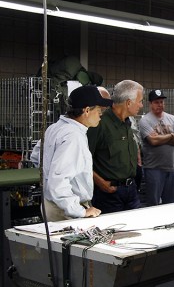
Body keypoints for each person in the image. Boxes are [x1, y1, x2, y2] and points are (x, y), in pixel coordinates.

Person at [33, 85, 111, 221]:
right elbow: (58, 181)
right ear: (87, 110)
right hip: (66, 211)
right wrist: (79, 211)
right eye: (99, 110)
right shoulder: (73, 136)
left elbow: (35, 156)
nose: (101, 114)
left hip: (51, 204)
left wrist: (47, 175)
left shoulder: (55, 128)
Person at [87, 80, 144, 214]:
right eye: (140, 101)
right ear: (128, 102)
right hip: (109, 194)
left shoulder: (128, 123)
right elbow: (82, 160)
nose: (141, 105)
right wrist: (101, 183)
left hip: (131, 190)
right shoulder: (99, 123)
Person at [139, 90, 174, 206]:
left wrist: (161, 138)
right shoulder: (145, 120)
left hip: (171, 167)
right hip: (154, 168)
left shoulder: (172, 118)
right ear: (150, 104)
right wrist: (171, 136)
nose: (160, 104)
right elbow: (152, 141)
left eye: (162, 102)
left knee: (171, 204)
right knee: (153, 204)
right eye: (156, 102)